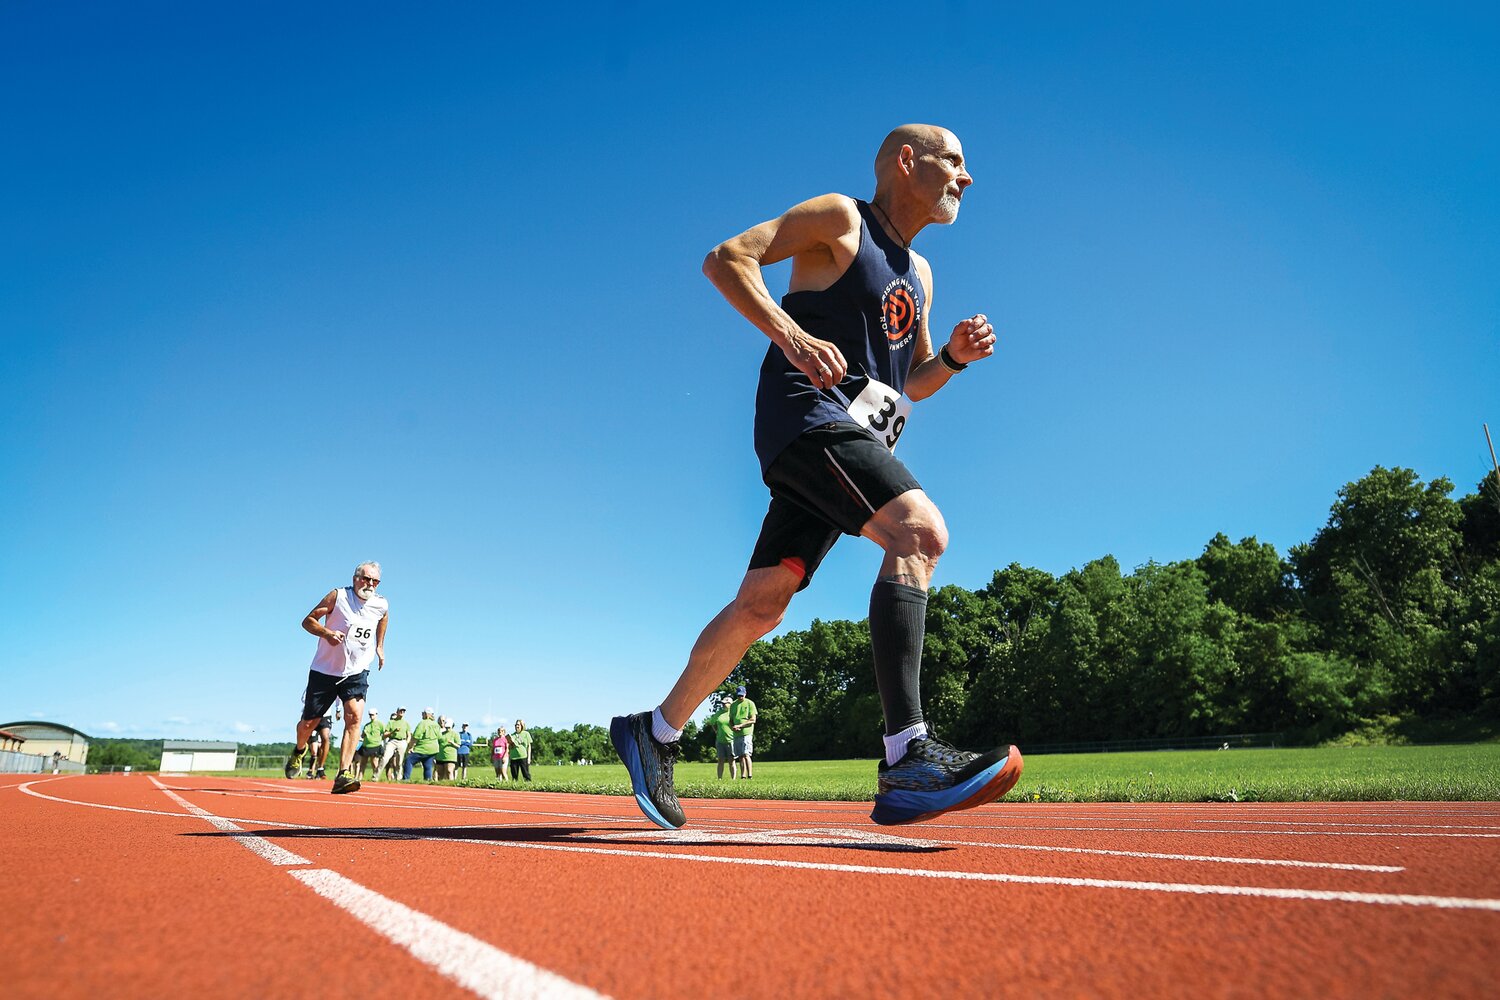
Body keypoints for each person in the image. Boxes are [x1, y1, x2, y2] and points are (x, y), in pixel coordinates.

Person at [610, 125, 1024, 829]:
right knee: (919, 534)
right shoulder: (842, 218)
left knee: (762, 605)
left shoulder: (921, 275)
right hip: (806, 416)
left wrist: (951, 357)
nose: (967, 177)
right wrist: (792, 336)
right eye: (954, 161)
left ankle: (654, 734)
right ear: (906, 161)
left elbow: (911, 383)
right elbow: (726, 259)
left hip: (848, 438)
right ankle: (907, 756)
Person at [284, 561, 390, 794]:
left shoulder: (380, 603)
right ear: (355, 578)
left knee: (354, 717)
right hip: (325, 670)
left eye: (374, 581)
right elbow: (308, 620)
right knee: (309, 724)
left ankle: (343, 774)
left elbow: (383, 618)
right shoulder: (338, 596)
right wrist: (327, 632)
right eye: (365, 578)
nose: (369, 584)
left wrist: (379, 647)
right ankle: (299, 749)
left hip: (356, 670)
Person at [729, 685, 758, 779]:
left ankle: (750, 775)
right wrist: (733, 727)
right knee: (740, 755)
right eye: (738, 695)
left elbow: (753, 719)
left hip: (746, 733)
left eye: (742, 695)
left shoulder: (750, 703)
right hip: (737, 733)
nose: (740, 697)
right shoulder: (733, 705)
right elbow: (731, 720)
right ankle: (743, 776)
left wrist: (740, 726)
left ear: (745, 694)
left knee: (746, 754)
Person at [404, 708, 441, 781]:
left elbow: (415, 737)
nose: (422, 714)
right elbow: (439, 736)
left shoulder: (422, 723)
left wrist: (410, 747)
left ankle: (406, 779)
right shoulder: (436, 724)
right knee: (428, 765)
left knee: (409, 760)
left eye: (423, 713)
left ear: (426, 714)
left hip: (423, 748)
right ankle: (427, 781)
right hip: (433, 749)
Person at [708, 695, 737, 779]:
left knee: (732, 760)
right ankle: (719, 778)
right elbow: (712, 722)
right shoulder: (719, 713)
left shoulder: (733, 713)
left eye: (725, 703)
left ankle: (733, 779)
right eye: (723, 703)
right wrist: (716, 731)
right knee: (720, 760)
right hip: (720, 740)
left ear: (730, 704)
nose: (723, 705)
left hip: (731, 740)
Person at [381, 706, 411, 780]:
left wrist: (406, 743)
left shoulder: (406, 723)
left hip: (402, 742)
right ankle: (376, 776)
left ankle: (398, 777)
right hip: (391, 742)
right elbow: (384, 735)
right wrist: (393, 731)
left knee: (398, 762)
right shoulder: (391, 723)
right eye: (401, 711)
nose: (402, 712)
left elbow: (409, 735)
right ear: (397, 712)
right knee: (386, 759)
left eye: (403, 711)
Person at [356, 708, 385, 781]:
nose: (371, 716)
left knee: (374, 762)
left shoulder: (380, 724)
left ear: (376, 714)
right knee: (363, 763)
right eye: (370, 715)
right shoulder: (367, 725)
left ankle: (375, 777)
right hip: (366, 746)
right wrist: (364, 733)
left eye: (372, 714)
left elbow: (384, 733)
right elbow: (362, 736)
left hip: (375, 745)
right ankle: (360, 777)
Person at [507, 718, 533, 783]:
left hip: (523, 756)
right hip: (513, 757)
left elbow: (529, 746)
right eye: (516, 725)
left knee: (526, 773)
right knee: (514, 775)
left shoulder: (526, 734)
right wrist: (511, 742)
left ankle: (528, 785)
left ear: (522, 725)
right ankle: (515, 786)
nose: (517, 726)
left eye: (518, 725)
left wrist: (529, 757)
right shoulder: (512, 735)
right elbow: (510, 747)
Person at [436, 716, 460, 780]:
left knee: (449, 771)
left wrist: (452, 743)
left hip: (450, 756)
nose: (447, 729)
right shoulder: (441, 734)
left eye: (449, 727)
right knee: (440, 773)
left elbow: (458, 745)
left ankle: (451, 785)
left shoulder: (455, 734)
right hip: (440, 756)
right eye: (446, 727)